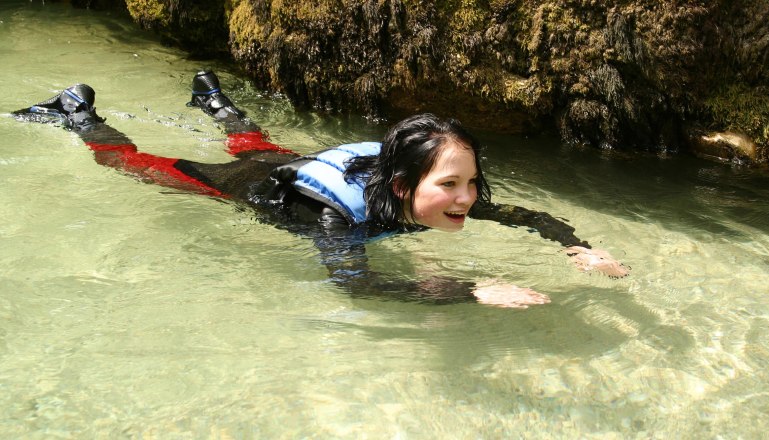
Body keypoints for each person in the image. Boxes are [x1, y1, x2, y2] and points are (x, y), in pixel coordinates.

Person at [13, 70, 629, 308]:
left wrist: (576, 246)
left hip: (305, 162)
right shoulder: (340, 221)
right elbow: (354, 283)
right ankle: (76, 116)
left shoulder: (436, 193)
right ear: (402, 182)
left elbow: (529, 215)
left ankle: (214, 100)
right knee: (132, 163)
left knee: (259, 143)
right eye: (452, 184)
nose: (468, 198)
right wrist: (471, 291)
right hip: (246, 188)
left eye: (471, 182)